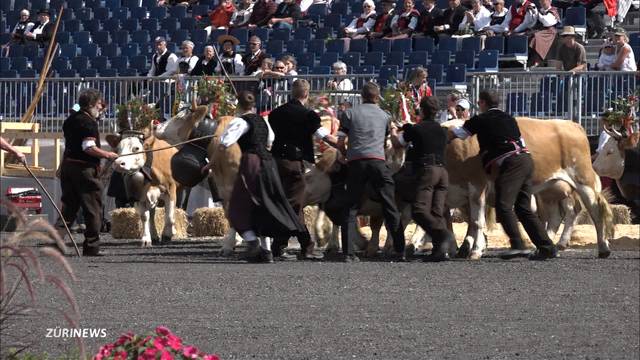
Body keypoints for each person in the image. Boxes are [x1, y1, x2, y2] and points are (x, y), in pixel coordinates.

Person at [448, 89, 558, 261]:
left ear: (483, 103)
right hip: (526, 160)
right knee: (523, 208)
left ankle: (517, 245)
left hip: (510, 164)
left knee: (503, 205)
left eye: (479, 102)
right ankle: (547, 247)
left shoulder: (480, 120)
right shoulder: (509, 118)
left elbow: (458, 134)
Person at [216, 91, 309, 263]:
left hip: (251, 162)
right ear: (253, 106)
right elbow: (269, 142)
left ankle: (253, 243)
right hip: (269, 163)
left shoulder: (239, 121)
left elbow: (225, 143)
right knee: (264, 204)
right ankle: (266, 252)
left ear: (238, 105)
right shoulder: (263, 121)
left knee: (237, 207)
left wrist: (213, 159)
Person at [268, 79, 338, 260]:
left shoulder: (275, 113)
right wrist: (344, 144)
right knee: (294, 204)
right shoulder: (309, 115)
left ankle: (284, 245)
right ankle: (302, 245)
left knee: (289, 202)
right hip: (294, 163)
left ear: (292, 92)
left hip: (276, 162)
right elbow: (325, 137)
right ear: (306, 94)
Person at [337, 82, 406, 263]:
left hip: (356, 163)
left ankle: (348, 253)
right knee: (390, 206)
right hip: (377, 161)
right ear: (377, 97)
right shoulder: (385, 116)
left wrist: (346, 155)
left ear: (362, 96)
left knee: (350, 208)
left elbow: (339, 143)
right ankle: (400, 250)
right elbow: (384, 143)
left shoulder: (349, 113)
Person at [390, 97, 455, 262]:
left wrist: (392, 131)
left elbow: (398, 144)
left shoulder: (417, 129)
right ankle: (440, 251)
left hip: (427, 171)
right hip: (443, 172)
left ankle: (443, 235)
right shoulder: (442, 130)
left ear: (423, 111)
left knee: (418, 211)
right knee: (436, 212)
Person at [57, 89, 119, 257]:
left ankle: (55, 245)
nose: (101, 108)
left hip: (68, 167)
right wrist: (108, 155)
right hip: (84, 170)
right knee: (93, 209)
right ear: (91, 104)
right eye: (100, 104)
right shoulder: (88, 123)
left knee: (68, 207)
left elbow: (70, 145)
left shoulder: (70, 120)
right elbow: (88, 148)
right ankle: (91, 247)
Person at [527, 0, 560, 68]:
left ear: (549, 1)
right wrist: (533, 13)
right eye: (541, 1)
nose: (542, 2)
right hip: (540, 30)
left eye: (544, 0)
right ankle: (527, 59)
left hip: (550, 32)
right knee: (527, 35)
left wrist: (536, 13)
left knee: (536, 36)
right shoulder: (540, 10)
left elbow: (546, 22)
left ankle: (537, 61)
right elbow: (532, 23)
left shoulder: (553, 11)